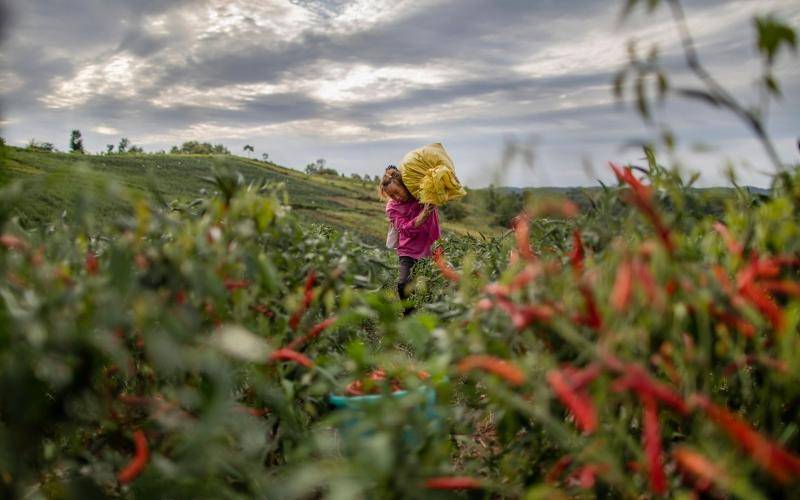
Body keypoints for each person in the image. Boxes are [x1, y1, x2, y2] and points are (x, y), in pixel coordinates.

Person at [379, 166, 440, 315]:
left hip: (432, 247)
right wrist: (421, 218)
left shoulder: (422, 196)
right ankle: (409, 316)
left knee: (435, 287)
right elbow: (405, 230)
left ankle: (434, 319)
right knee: (403, 284)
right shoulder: (392, 208)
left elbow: (440, 190)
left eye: (397, 192)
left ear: (405, 185)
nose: (396, 198)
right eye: (392, 196)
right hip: (408, 250)